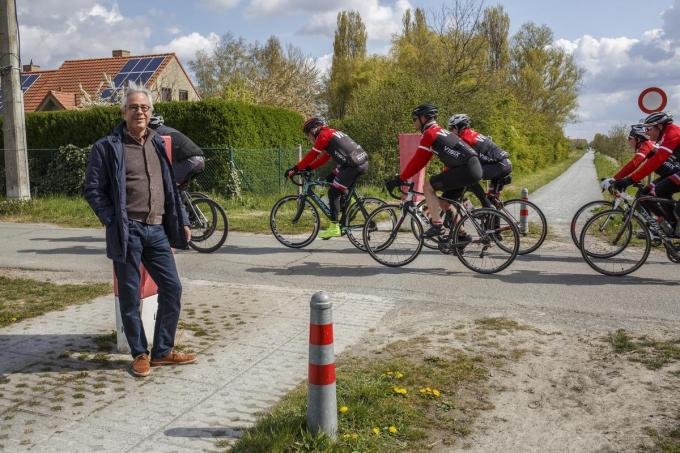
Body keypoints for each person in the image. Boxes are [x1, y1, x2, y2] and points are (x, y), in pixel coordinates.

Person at [84, 82, 197, 377]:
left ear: (151, 112)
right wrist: (112, 219)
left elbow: (170, 188)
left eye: (144, 107)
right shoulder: (107, 147)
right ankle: (139, 354)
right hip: (128, 230)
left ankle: (162, 351)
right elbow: (93, 189)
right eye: (133, 107)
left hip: (157, 230)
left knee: (172, 288)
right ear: (123, 112)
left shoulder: (158, 143)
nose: (139, 112)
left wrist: (182, 220)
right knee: (131, 295)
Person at [388, 104, 482, 238]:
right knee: (445, 203)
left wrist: (401, 178)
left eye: (414, 119)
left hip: (466, 169)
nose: (413, 122)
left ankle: (437, 225)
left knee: (427, 187)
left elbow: (419, 161)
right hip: (471, 167)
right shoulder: (439, 132)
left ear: (423, 119)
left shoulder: (430, 134)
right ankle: (462, 236)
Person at [286, 117, 369, 239]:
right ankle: (348, 203)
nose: (309, 138)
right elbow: (325, 157)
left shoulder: (323, 135)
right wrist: (309, 168)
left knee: (333, 193)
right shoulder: (331, 132)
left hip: (352, 165)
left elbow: (313, 154)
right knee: (330, 179)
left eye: (308, 134)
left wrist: (295, 168)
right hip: (357, 162)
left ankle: (334, 227)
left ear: (313, 129)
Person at [612, 112, 680, 236]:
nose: (647, 132)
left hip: (675, 172)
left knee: (676, 208)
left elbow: (656, 161)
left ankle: (671, 227)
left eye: (649, 128)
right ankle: (670, 227)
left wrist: (629, 180)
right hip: (675, 172)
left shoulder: (672, 133)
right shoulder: (666, 135)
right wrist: (627, 179)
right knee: (657, 192)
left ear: (659, 127)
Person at [447, 114, 512, 208]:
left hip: (499, 165)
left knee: (470, 177)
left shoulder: (465, 138)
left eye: (452, 128)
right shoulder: (472, 133)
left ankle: (486, 205)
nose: (450, 131)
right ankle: (492, 215)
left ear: (459, 127)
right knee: (492, 200)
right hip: (504, 163)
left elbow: (458, 160)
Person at [149, 115, 205, 186]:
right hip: (199, 160)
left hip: (189, 161)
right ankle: (183, 196)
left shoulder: (158, 134)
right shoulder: (168, 129)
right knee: (178, 187)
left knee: (168, 184)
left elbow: (159, 154)